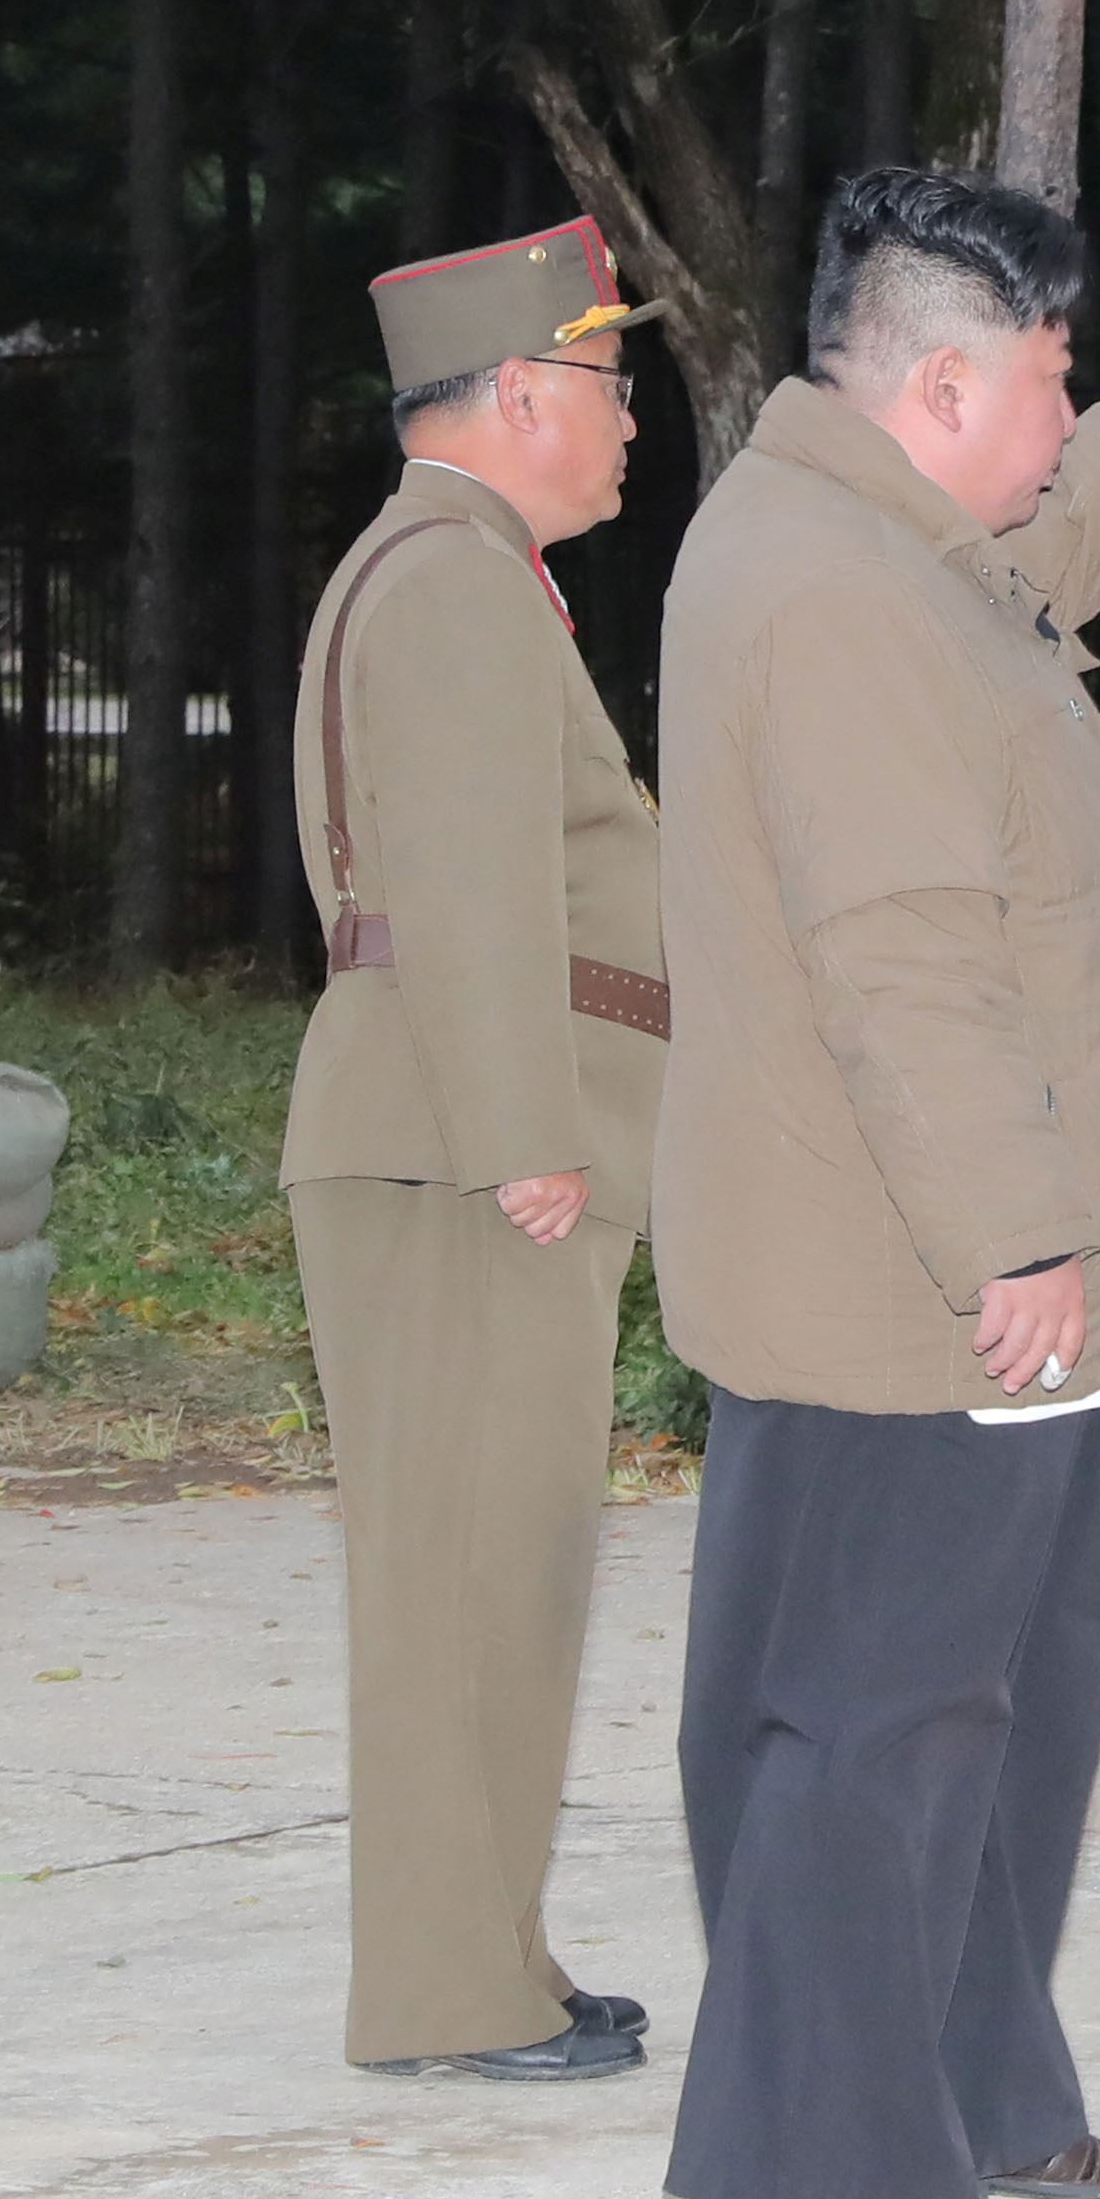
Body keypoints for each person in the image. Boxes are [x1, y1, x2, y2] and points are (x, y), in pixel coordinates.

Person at [652, 169, 1100, 2199]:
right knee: (877, 1707)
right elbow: (903, 950)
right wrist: (1011, 1231)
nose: (1059, 422)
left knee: (1008, 1688)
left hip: (972, 1271)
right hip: (912, 1277)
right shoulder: (839, 595)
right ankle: (820, 2142)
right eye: (1047, 381)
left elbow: (1060, 530)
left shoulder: (891, 534)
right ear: (943, 383)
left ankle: (968, 2076)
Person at [281, 215, 672, 2082]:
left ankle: (488, 1956)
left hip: (460, 1140)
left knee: (501, 1571)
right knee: (460, 1583)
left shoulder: (462, 569)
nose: (624, 424)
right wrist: (531, 1130)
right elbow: (459, 882)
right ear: (516, 390)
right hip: (466, 1153)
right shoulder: (445, 577)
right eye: (606, 385)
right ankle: (445, 1993)